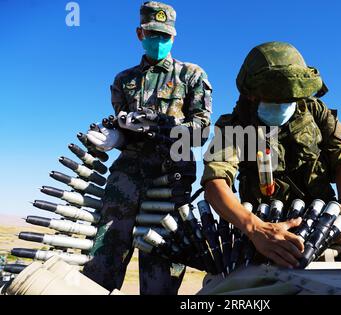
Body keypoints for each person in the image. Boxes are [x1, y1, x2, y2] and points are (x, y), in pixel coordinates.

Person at [82, 1, 212, 294]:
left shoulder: (191, 76)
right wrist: (114, 137)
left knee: (161, 262)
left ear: (174, 37)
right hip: (127, 175)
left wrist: (165, 126)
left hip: (171, 177)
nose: (159, 41)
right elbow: (121, 124)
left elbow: (201, 131)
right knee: (105, 254)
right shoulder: (123, 80)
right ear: (140, 33)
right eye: (153, 34)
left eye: (164, 36)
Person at [201, 41, 341, 269]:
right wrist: (255, 228)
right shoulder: (234, 126)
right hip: (264, 240)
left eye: (288, 99)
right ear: (252, 95)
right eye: (273, 99)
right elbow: (215, 182)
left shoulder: (315, 112)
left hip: (322, 233)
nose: (282, 105)